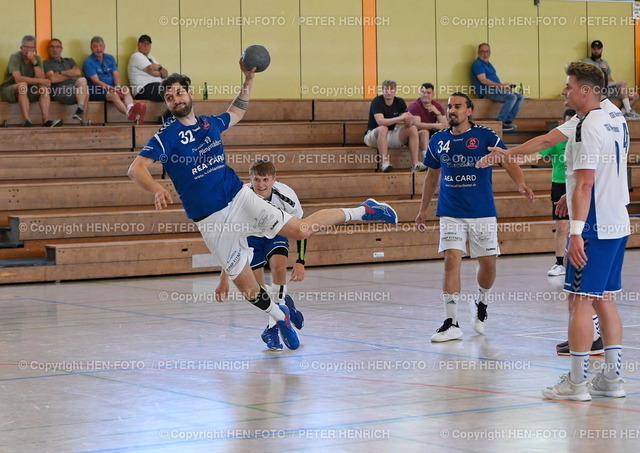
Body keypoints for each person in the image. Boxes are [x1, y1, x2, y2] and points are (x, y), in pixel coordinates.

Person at [127, 67, 399, 351]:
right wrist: (156, 188)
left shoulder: (209, 124)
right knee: (247, 288)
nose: (175, 99)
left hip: (238, 198)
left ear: (190, 93)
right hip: (211, 221)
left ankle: (365, 210)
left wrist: (249, 80)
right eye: (169, 97)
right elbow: (136, 169)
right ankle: (280, 319)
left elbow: (237, 111)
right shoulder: (166, 136)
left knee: (301, 229)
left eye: (179, 92)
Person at [477, 62, 630, 401]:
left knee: (578, 303)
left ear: (585, 91)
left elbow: (587, 182)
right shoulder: (612, 114)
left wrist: (575, 232)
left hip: (593, 226)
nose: (564, 91)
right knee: (604, 299)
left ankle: (577, 384)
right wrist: (506, 154)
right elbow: (548, 139)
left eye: (568, 85)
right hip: (616, 220)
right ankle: (613, 379)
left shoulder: (589, 126)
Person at [415, 92, 534, 343]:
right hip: (450, 211)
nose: (452, 110)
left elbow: (506, 159)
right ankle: (451, 322)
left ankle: (481, 301)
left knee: (488, 264)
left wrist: (520, 184)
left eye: (457, 106)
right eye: (449, 107)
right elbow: (431, 176)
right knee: (451, 260)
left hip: (481, 211)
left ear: (469, 110)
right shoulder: (438, 140)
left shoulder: (484, 136)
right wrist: (423, 209)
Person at [215, 159, 307, 350]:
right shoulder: (241, 199)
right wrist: (224, 277)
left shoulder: (286, 195)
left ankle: (272, 328)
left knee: (278, 267)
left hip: (276, 233)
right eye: (257, 179)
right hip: (251, 239)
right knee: (257, 291)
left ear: (274, 180)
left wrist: (300, 261)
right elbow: (228, 239)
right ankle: (285, 306)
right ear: (250, 179)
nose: (261, 184)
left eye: (265, 179)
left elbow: (302, 227)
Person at [364, 79, 426, 173]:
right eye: (386, 89)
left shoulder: (399, 101)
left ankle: (415, 164)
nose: (389, 92)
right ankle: (384, 163)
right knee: (383, 128)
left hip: (390, 134)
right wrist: (400, 118)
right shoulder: (377, 101)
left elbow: (407, 123)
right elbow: (380, 121)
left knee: (413, 129)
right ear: (382, 90)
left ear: (395, 90)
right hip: (373, 136)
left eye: (391, 89)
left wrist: (409, 120)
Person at [0, 35, 62, 127]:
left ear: (35, 48)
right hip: (10, 89)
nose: (29, 50)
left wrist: (34, 62)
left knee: (44, 88)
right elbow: (18, 79)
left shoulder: (38, 59)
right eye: (26, 47)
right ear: (21, 48)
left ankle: (45, 120)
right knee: (22, 85)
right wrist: (40, 81)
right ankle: (26, 120)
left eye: (31, 47)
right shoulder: (15, 57)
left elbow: (41, 78)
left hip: (28, 90)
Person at [83, 36, 146, 123]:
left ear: (104, 47)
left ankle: (131, 109)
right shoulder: (88, 62)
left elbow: (116, 74)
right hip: (97, 90)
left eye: (100, 46)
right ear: (91, 49)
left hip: (113, 87)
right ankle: (129, 114)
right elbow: (96, 82)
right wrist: (114, 89)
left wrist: (118, 86)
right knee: (114, 95)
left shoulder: (110, 58)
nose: (98, 49)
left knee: (125, 89)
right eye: (95, 46)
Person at [471, 43, 524, 132]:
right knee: (511, 97)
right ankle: (500, 122)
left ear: (490, 53)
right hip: (486, 91)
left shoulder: (488, 64)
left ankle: (508, 121)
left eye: (487, 51)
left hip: (496, 90)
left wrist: (503, 87)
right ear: (478, 52)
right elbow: (483, 80)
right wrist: (500, 86)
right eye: (482, 51)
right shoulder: (478, 64)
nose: (485, 54)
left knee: (520, 96)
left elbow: (494, 81)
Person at [582, 40, 640, 120]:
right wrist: (601, 70)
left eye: (598, 48)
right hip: (597, 88)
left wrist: (623, 90)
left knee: (635, 96)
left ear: (601, 50)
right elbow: (586, 77)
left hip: (607, 87)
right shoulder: (586, 62)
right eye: (594, 48)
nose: (596, 51)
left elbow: (610, 79)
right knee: (622, 83)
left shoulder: (604, 62)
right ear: (591, 49)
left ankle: (621, 115)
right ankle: (629, 111)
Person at [44, 38, 89, 124]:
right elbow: (53, 79)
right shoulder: (46, 63)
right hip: (59, 91)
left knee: (83, 81)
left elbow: (78, 72)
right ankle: (84, 121)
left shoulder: (69, 60)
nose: (55, 49)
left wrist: (60, 73)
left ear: (61, 49)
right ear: (48, 49)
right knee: (85, 91)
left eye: (57, 47)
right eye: (52, 47)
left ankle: (80, 109)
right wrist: (71, 76)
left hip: (74, 88)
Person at [408, 83, 448, 156]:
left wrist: (437, 112)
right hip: (415, 135)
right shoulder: (414, 105)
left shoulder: (437, 105)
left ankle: (444, 160)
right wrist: (435, 125)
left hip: (431, 133)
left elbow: (445, 125)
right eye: (423, 92)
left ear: (433, 95)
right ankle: (426, 159)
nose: (425, 95)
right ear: (420, 94)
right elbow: (417, 125)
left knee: (445, 133)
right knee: (425, 132)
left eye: (428, 93)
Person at [128, 34, 168, 102]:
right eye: (144, 43)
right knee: (170, 91)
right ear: (138, 45)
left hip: (156, 87)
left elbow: (165, 74)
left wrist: (159, 68)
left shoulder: (151, 57)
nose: (146, 46)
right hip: (142, 90)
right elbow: (152, 71)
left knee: (177, 89)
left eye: (148, 44)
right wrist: (159, 71)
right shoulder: (136, 55)